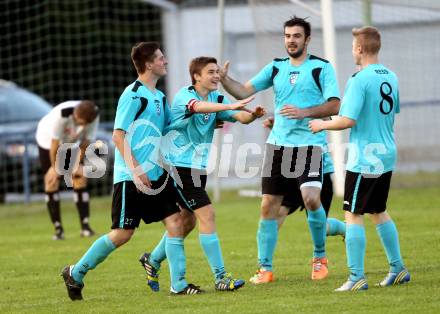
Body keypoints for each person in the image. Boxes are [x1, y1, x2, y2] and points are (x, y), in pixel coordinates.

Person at [61, 42, 202, 300]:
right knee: (122, 234)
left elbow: (171, 126)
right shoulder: (133, 94)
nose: (166, 61)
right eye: (161, 58)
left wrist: (204, 116)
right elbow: (117, 136)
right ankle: (75, 272)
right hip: (131, 177)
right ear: (149, 64)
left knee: (179, 220)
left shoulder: (158, 96)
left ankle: (179, 285)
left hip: (157, 173)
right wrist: (136, 171)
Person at [219, 16, 341, 283]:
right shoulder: (276, 68)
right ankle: (265, 269)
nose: (291, 40)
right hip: (278, 146)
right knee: (267, 207)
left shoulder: (321, 68)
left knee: (311, 200)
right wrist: (225, 79)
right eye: (287, 36)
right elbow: (243, 91)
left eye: (296, 36)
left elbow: (335, 105)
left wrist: (305, 112)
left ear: (307, 39)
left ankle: (319, 258)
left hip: (310, 145)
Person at [139, 56, 265, 292]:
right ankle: (220, 277)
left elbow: (241, 117)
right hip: (176, 166)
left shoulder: (217, 98)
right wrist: (229, 106)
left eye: (217, 72)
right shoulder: (186, 96)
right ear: (197, 76)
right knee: (208, 215)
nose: (217, 76)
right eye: (211, 72)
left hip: (196, 167)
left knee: (187, 222)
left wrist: (254, 115)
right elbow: (199, 108)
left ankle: (152, 259)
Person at [309, 26, 410, 291]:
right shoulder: (391, 76)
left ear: (360, 49)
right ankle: (398, 268)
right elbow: (389, 112)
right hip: (386, 152)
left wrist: (321, 124)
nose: (352, 50)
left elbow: (348, 120)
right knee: (377, 210)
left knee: (352, 213)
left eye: (354, 46)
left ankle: (356, 277)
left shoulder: (359, 79)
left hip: (365, 156)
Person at [262, 117, 345, 236]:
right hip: (290, 168)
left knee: (321, 228)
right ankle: (265, 253)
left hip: (318, 170)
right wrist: (276, 124)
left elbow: (329, 118)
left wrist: (313, 115)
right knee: (277, 213)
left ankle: (344, 228)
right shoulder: (288, 103)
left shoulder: (317, 101)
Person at [36, 100, 99, 240]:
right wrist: (54, 168)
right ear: (75, 115)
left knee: (79, 177)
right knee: (52, 179)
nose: (82, 126)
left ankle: (85, 227)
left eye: (85, 124)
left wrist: (76, 164)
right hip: (47, 141)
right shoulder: (62, 115)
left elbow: (85, 143)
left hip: (71, 143)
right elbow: (54, 145)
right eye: (80, 122)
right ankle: (58, 229)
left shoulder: (94, 115)